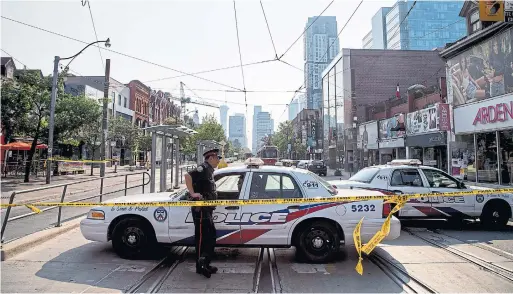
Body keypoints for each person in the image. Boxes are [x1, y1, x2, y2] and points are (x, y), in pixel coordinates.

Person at [184, 148, 221, 278]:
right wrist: (193, 193)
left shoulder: (209, 170)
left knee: (210, 236)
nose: (219, 160)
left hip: (207, 209)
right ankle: (200, 267)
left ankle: (205, 262)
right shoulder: (202, 168)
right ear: (210, 158)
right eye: (217, 158)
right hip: (200, 209)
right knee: (201, 238)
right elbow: (188, 176)